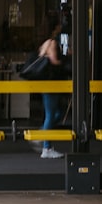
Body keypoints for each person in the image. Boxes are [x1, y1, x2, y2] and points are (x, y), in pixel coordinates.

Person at [37, 11, 66, 159]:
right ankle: (46, 147)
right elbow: (54, 61)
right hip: (51, 84)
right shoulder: (52, 43)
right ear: (55, 26)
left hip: (46, 83)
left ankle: (42, 136)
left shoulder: (45, 42)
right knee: (52, 114)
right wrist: (66, 60)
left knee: (56, 112)